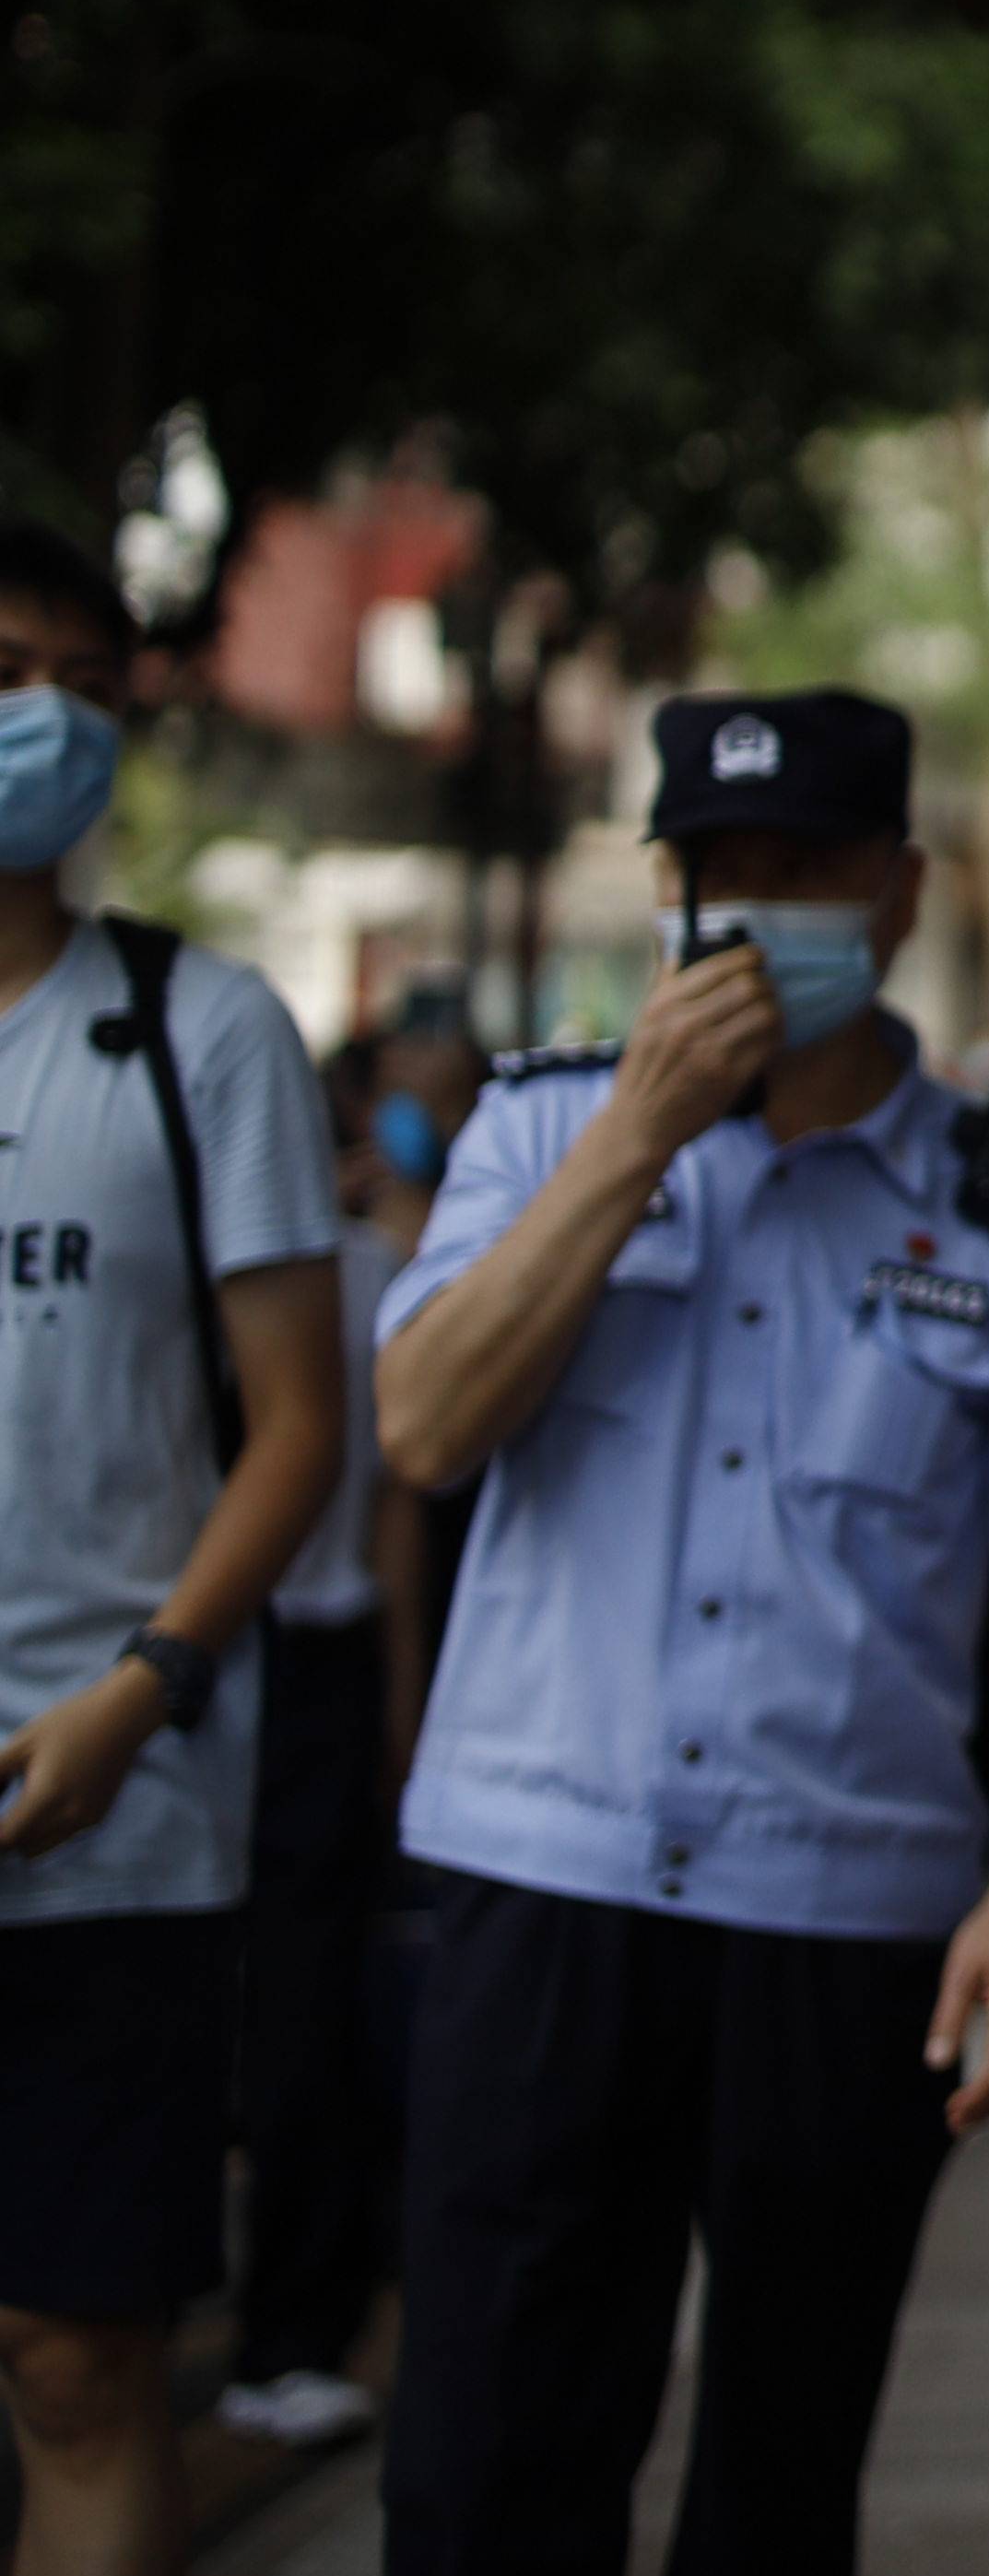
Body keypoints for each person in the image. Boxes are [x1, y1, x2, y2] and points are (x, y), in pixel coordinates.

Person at [368, 685, 989, 2576]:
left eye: (818, 875)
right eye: (730, 881)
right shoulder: (538, 1133)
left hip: (850, 1907)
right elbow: (424, 1431)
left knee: (782, 2463)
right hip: (549, 1874)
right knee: (492, 2450)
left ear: (899, 892)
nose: (771, 919)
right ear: (668, 894)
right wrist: (631, 1140)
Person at [0, 523, 350, 2576]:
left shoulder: (192, 1025)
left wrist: (146, 1686)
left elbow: (301, 1419)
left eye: (60, 672)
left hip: (108, 1807)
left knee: (84, 2354)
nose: (29, 711)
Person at [216, 1029, 453, 2452]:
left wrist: (398, 1691)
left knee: (303, 2000)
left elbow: (392, 1505)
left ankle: (291, 2321)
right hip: (211, 1666)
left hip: (304, 1668)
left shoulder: (368, 1282)